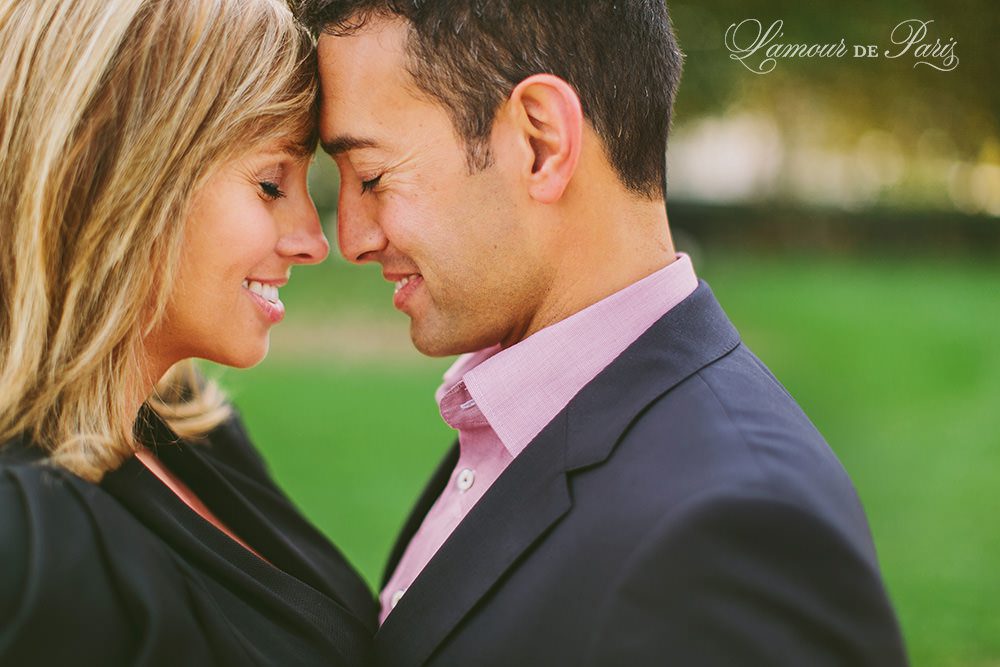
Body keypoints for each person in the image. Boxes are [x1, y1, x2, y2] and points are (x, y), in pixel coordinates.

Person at [299, 1, 909, 665]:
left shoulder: (733, 536)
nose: (351, 237)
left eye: (372, 176)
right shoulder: (517, 417)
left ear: (540, 142)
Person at [0, 1, 375, 664]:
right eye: (269, 182)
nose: (316, 241)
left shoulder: (193, 424)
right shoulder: (25, 539)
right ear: (114, 173)